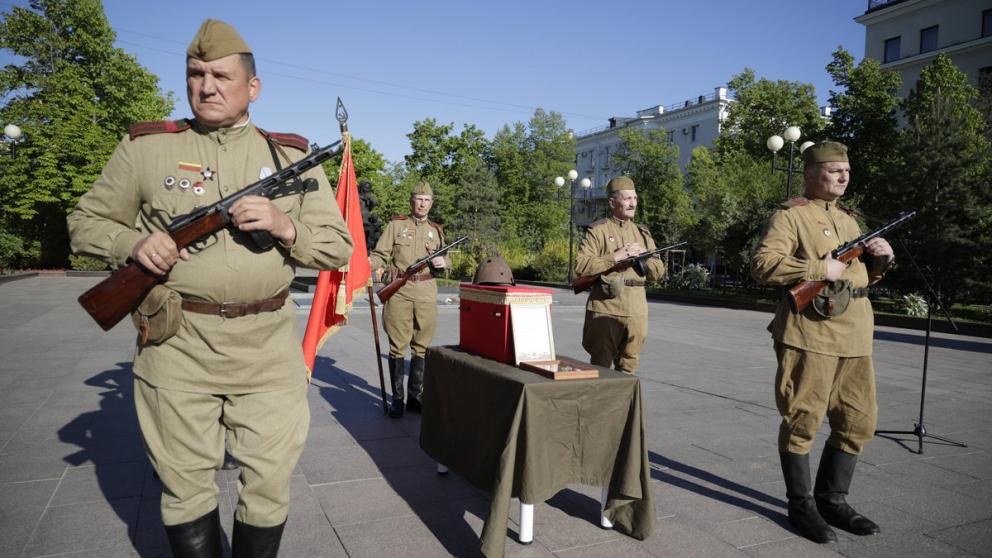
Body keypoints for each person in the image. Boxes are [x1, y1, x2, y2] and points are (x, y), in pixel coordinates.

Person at [67, 19, 353, 558]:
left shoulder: (289, 159)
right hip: (177, 345)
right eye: (196, 74)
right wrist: (133, 244)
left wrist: (284, 225)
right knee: (184, 487)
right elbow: (85, 222)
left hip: (267, 349)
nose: (207, 86)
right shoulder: (146, 150)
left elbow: (339, 249)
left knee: (268, 485)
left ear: (253, 87)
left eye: (221, 75)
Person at [751, 141, 893, 544]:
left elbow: (861, 276)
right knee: (803, 419)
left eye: (846, 170)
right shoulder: (791, 216)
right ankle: (801, 506)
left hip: (856, 335)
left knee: (859, 421)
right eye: (835, 171)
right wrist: (817, 266)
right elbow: (762, 264)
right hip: (811, 333)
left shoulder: (850, 219)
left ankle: (833, 500)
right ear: (811, 175)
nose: (844, 176)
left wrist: (881, 260)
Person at [370, 181, 448, 418]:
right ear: (412, 201)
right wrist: (367, 265)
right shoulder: (396, 225)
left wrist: (444, 263)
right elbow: (379, 255)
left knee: (421, 346)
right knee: (397, 346)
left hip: (426, 291)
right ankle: (398, 400)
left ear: (431, 204)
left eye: (427, 200)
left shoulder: (436, 230)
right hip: (400, 291)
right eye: (419, 199)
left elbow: (446, 259)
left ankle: (416, 397)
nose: (423, 204)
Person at [575, 176, 666, 374]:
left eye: (634, 198)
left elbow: (659, 272)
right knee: (600, 368)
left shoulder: (642, 233)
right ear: (612, 202)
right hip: (607, 306)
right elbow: (581, 266)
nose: (632, 203)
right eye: (626, 199)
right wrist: (616, 256)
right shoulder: (598, 230)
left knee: (629, 367)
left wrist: (644, 257)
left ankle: (624, 405)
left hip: (637, 308)